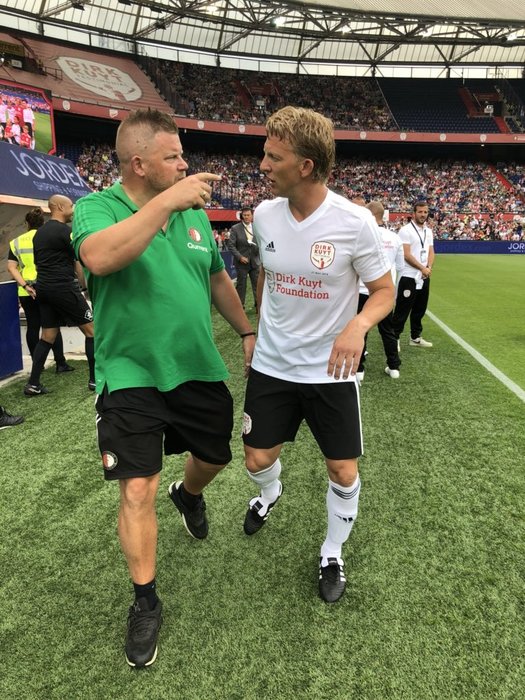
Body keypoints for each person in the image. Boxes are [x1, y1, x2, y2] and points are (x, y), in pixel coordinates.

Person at [71, 108, 255, 668]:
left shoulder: (192, 215)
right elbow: (100, 257)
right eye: (172, 157)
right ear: (139, 163)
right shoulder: (96, 208)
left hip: (196, 367)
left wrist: (246, 332)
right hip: (131, 374)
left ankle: (189, 494)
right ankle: (146, 601)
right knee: (136, 489)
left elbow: (217, 277)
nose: (183, 164)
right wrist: (167, 203)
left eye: (181, 155)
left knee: (216, 456)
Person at [241, 106, 395, 604]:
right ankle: (270, 493)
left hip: (330, 371)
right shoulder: (265, 214)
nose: (263, 165)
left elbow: (385, 291)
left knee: (343, 471)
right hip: (272, 365)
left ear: (306, 166)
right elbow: (267, 274)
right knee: (256, 459)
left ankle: (332, 551)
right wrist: (257, 328)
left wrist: (358, 325)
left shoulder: (354, 222)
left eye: (274, 156)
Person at [23, 195, 95, 396]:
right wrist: (83, 286)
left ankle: (33, 384)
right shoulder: (65, 231)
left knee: (47, 335)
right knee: (92, 331)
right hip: (63, 287)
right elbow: (79, 260)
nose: (73, 210)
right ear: (60, 207)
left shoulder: (39, 234)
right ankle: (95, 380)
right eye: (71, 206)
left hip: (44, 288)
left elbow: (38, 263)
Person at [7, 207, 74, 374]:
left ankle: (38, 364)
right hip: (47, 285)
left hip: (26, 290)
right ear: (43, 222)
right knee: (53, 324)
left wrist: (25, 285)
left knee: (33, 326)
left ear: (26, 223)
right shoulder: (48, 236)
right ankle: (60, 363)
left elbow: (11, 267)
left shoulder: (16, 242)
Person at [391, 201, 435, 348]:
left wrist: (428, 268)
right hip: (409, 276)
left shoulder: (428, 231)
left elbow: (431, 251)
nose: (423, 215)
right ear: (413, 213)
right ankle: (394, 339)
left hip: (424, 275)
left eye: (425, 212)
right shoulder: (405, 230)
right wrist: (422, 268)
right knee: (402, 309)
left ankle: (415, 337)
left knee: (420, 309)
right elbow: (406, 254)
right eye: (420, 212)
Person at [226, 207, 260, 310]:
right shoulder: (235, 228)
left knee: (257, 285)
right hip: (241, 263)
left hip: (255, 261)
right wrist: (240, 257)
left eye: (248, 215)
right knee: (241, 286)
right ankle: (240, 307)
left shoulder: (257, 227)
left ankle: (258, 305)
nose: (246, 217)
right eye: (244, 215)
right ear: (242, 216)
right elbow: (231, 245)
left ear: (252, 216)